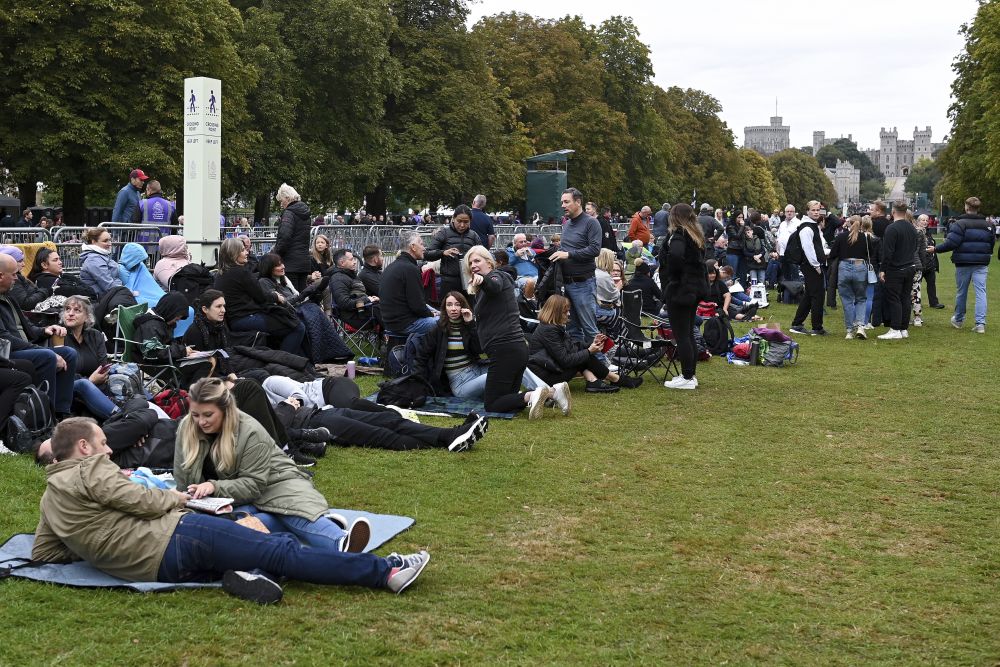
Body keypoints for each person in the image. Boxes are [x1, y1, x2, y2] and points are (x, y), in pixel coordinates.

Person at [32, 416, 430, 604]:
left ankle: (246, 575)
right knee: (281, 549)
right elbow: (141, 500)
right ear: (83, 448)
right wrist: (178, 498)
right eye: (102, 442)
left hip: (151, 567)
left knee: (248, 532)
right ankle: (386, 572)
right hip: (176, 537)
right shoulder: (92, 468)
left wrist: (98, 543)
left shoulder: (51, 496)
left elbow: (45, 553)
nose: (107, 449)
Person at [175, 377, 372, 553]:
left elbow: (253, 485)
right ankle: (323, 524)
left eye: (208, 415)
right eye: (195, 415)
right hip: (226, 498)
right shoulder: (187, 428)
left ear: (226, 410)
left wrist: (213, 486)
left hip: (273, 482)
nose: (200, 422)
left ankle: (340, 542)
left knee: (283, 507)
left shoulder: (249, 431)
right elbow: (183, 477)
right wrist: (189, 495)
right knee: (231, 523)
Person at [263, 376, 489, 452]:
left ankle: (451, 435)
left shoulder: (267, 384)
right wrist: (288, 408)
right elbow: (278, 429)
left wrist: (290, 406)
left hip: (323, 409)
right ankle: (447, 439)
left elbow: (296, 395)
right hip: (317, 423)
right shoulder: (251, 413)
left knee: (388, 420)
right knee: (381, 435)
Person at [411, 291, 552, 403]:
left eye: (457, 304)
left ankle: (549, 394)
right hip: (460, 384)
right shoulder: (438, 330)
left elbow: (479, 349)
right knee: (496, 376)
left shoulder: (467, 326)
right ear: (444, 308)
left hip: (476, 370)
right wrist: (417, 386)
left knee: (515, 364)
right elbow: (421, 357)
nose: (453, 308)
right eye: (449, 305)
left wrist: (471, 324)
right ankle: (532, 396)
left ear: (463, 307)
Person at [464, 246, 551, 417]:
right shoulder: (491, 283)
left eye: (477, 260)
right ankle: (549, 394)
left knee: (492, 405)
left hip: (505, 349)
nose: (473, 265)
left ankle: (534, 395)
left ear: (489, 262)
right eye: (470, 263)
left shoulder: (496, 277)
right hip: (514, 348)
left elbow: (493, 285)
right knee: (507, 400)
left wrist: (483, 280)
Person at [0, 254, 78, 417]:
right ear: (1, 276)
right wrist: (37, 348)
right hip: (8, 353)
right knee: (47, 356)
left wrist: (45, 330)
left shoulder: (9, 298)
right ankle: (45, 416)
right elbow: (5, 339)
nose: (17, 278)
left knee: (69, 354)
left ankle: (62, 412)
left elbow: (27, 327)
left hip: (25, 347)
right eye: (14, 274)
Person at [529, 295, 640, 396]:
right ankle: (614, 379)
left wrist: (591, 344)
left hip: (550, 369)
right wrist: (589, 351)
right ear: (556, 312)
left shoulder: (551, 326)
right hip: (545, 377)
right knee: (583, 357)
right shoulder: (550, 330)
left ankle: (595, 381)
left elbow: (572, 347)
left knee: (582, 354)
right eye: (565, 311)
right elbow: (565, 360)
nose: (568, 314)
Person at [215, 237, 307, 355]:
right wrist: (276, 296)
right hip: (245, 318)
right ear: (234, 254)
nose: (247, 252)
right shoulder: (241, 272)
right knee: (298, 327)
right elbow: (261, 297)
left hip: (234, 319)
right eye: (243, 250)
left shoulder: (221, 274)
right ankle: (284, 362)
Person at [659, 204, 708, 390]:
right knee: (687, 333)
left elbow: (676, 257)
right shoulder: (695, 236)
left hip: (680, 290)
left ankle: (687, 376)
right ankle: (689, 374)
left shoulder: (678, 235)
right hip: (692, 290)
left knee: (682, 335)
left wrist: (673, 278)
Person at [928, 196, 995, 334]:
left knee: (962, 291)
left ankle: (958, 319)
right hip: (981, 262)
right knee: (981, 291)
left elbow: (952, 243)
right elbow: (991, 243)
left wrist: (935, 249)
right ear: (978, 208)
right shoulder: (989, 225)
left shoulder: (960, 224)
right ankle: (980, 323)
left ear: (966, 207)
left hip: (963, 262)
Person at [551, 188, 601, 349]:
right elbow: (567, 249)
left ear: (578, 202)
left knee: (589, 328)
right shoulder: (566, 224)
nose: (563, 205)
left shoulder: (591, 222)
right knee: (572, 328)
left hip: (584, 283)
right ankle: (581, 363)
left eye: (566, 202)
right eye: (562, 202)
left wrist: (568, 255)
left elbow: (595, 249)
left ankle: (602, 366)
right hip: (567, 283)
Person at [133, 292, 215, 385]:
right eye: (177, 317)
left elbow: (166, 345)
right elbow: (153, 353)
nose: (178, 320)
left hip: (164, 360)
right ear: (170, 311)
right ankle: (191, 395)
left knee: (208, 360)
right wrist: (182, 351)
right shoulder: (151, 325)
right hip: (155, 365)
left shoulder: (161, 322)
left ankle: (186, 391)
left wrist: (186, 351)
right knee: (206, 364)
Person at [60, 296, 120, 418]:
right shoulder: (59, 336)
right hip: (70, 390)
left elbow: (103, 366)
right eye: (67, 309)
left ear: (87, 316)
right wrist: (91, 380)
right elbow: (63, 374)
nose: (70, 314)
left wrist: (99, 377)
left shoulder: (96, 335)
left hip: (98, 385)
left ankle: (151, 404)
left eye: (77, 310)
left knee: (124, 371)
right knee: (84, 384)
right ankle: (121, 418)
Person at [380, 230, 437, 337]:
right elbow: (417, 306)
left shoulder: (392, 266)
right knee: (447, 322)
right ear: (413, 247)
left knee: (441, 314)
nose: (424, 248)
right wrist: (432, 314)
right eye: (421, 244)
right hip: (405, 324)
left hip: (391, 323)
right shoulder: (410, 269)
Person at [877, 201, 919, 340]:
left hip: (896, 268)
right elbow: (914, 248)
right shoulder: (912, 228)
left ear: (893, 212)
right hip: (910, 266)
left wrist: (883, 269)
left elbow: (888, 252)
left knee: (894, 298)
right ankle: (903, 328)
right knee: (905, 298)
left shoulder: (892, 229)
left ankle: (895, 328)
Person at [788, 201, 828, 336]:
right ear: (807, 211)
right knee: (817, 296)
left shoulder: (812, 226)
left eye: (818, 210)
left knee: (809, 296)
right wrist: (816, 265)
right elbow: (808, 249)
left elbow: (817, 247)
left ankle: (797, 324)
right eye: (813, 210)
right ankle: (817, 327)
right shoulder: (806, 228)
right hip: (810, 265)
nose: (816, 212)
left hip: (812, 264)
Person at [424, 204, 481, 297]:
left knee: (470, 310)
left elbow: (483, 257)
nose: (462, 225)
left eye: (466, 222)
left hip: (469, 281)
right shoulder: (443, 233)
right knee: (448, 310)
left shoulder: (474, 236)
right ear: (453, 218)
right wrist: (443, 253)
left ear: (470, 221)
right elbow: (426, 254)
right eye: (459, 221)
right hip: (449, 282)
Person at [828, 215, 871, 340]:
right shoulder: (865, 238)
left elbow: (833, 254)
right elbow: (870, 254)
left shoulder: (841, 237)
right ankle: (861, 326)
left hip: (844, 267)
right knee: (861, 298)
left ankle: (849, 330)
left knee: (847, 300)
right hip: (860, 266)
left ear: (849, 223)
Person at [328, 248, 381, 329]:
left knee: (386, 305)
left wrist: (371, 299)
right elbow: (344, 303)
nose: (355, 262)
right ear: (342, 263)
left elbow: (358, 295)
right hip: (355, 317)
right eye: (351, 259)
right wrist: (367, 300)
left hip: (362, 310)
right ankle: (396, 337)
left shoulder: (350, 275)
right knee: (385, 308)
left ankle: (394, 337)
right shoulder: (338, 279)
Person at [273, 183, 312, 291]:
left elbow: (284, 237)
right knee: (302, 295)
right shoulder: (305, 213)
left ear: (287, 198)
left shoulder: (289, 213)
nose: (281, 204)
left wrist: (275, 255)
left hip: (290, 263)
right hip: (303, 262)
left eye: (281, 201)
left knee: (292, 296)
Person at [0, 246, 50, 310]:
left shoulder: (18, 278)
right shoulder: (12, 281)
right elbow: (25, 304)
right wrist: (43, 292)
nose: (24, 264)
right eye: (20, 261)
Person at [79, 227, 124, 296]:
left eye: (110, 240)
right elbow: (108, 285)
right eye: (105, 241)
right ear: (93, 241)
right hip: (100, 298)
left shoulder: (101, 255)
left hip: (109, 294)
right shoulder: (94, 259)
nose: (110, 243)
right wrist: (127, 291)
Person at [917, 214, 944, 310]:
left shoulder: (928, 233)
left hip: (930, 263)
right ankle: (915, 303)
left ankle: (934, 303)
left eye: (926, 220)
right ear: (918, 221)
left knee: (932, 284)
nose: (925, 222)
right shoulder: (915, 232)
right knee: (916, 286)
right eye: (922, 220)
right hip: (919, 263)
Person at [725, 212, 745, 283]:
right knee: (733, 273)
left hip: (741, 251)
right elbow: (737, 236)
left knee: (741, 273)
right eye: (739, 217)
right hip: (733, 251)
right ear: (735, 217)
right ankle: (731, 289)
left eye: (742, 217)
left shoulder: (741, 226)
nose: (740, 219)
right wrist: (742, 227)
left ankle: (741, 289)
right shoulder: (731, 226)